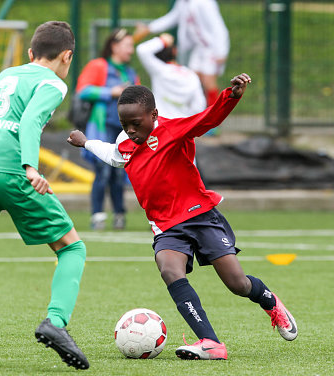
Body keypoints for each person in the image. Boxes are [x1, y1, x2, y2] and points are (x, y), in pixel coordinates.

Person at [67, 74, 298, 360]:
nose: (130, 131)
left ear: (154, 114)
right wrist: (87, 142)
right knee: (169, 269)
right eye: (124, 124)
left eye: (135, 124)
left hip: (200, 216)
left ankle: (271, 303)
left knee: (237, 283)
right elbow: (115, 155)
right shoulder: (126, 140)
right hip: (166, 226)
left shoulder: (173, 131)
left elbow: (208, 119)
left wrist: (231, 95)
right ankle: (211, 343)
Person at [0, 21, 89, 370]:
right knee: (72, 247)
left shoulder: (0, 78)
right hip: (13, 172)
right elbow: (29, 123)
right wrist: (30, 167)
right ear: (67, 56)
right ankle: (55, 323)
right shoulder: (52, 83)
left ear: (30, 54)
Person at [75, 28, 140, 230]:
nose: (131, 50)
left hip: (123, 130)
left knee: (120, 173)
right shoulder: (99, 66)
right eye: (128, 45)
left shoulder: (130, 72)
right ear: (114, 46)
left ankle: (120, 214)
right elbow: (83, 90)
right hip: (102, 127)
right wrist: (111, 92)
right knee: (102, 171)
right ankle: (98, 216)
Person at [134, 0, 229, 108]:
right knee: (194, 79)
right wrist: (149, 28)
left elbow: (217, 26)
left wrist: (221, 51)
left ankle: (214, 117)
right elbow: (173, 17)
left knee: (208, 81)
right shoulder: (183, 2)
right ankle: (198, 114)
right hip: (198, 47)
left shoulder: (204, 3)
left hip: (211, 47)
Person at [136, 33, 206, 118]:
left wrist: (162, 41)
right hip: (182, 125)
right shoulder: (191, 75)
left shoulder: (160, 70)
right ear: (175, 51)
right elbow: (199, 106)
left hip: (161, 124)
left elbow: (142, 50)